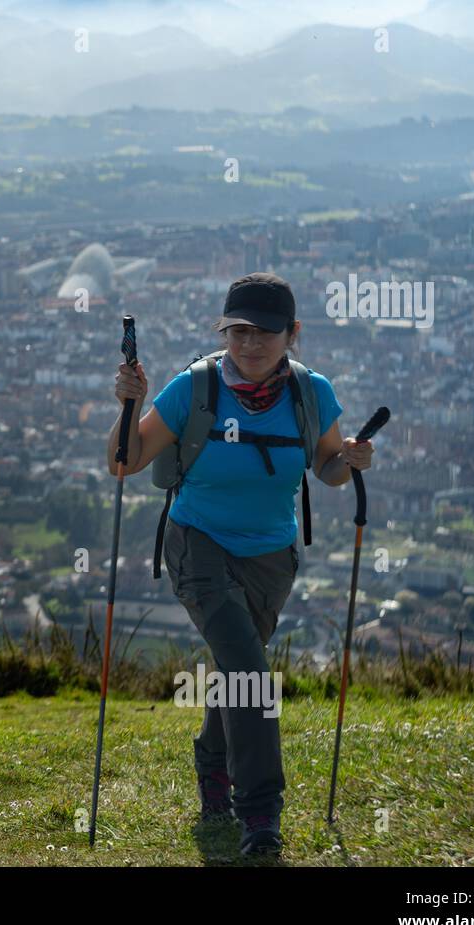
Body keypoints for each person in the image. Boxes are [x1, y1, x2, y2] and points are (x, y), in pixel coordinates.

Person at [105, 272, 374, 856]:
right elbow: (124, 462)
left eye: (265, 333)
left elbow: (326, 468)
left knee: (237, 670)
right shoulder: (194, 388)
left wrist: (349, 460)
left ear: (293, 334)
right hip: (196, 543)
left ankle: (211, 769)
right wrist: (130, 404)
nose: (250, 344)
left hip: (272, 557)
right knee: (252, 675)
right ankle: (259, 816)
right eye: (239, 331)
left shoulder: (312, 394)